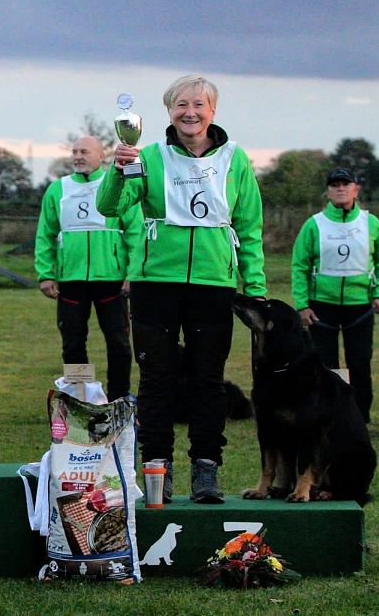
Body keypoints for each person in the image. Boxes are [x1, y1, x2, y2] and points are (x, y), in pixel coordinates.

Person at [96, 75, 266, 503]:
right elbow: (109, 206)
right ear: (168, 111)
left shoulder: (236, 159)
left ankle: (206, 470)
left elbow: (249, 226)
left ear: (213, 111)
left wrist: (256, 287)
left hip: (214, 286)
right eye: (180, 105)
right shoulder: (148, 155)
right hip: (157, 284)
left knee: (209, 380)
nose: (190, 113)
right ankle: (158, 470)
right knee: (157, 380)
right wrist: (119, 169)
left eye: (199, 105)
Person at [35, 136, 141, 400]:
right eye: (74, 151)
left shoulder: (116, 185)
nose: (78, 156)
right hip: (71, 279)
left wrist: (133, 273)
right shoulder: (57, 189)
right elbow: (45, 234)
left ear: (100, 156)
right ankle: (79, 395)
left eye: (84, 151)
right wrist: (46, 274)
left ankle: (119, 397)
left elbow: (136, 232)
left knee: (117, 342)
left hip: (112, 279)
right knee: (73, 342)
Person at [292, 167, 379, 423]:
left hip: (360, 306)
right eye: (335, 184)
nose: (340, 188)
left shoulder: (371, 223)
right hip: (321, 306)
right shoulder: (314, 224)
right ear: (327, 191)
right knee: (325, 365)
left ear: (355, 189)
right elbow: (300, 265)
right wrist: (302, 305)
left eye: (345, 184)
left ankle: (360, 417)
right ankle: (326, 415)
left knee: (360, 363)